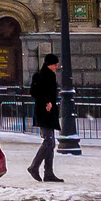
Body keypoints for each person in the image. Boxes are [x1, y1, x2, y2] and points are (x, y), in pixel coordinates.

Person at [28, 53, 63, 182]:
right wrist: (46, 102)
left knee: (51, 142)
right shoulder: (40, 76)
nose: (57, 66)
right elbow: (35, 92)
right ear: (50, 64)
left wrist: (50, 102)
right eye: (55, 64)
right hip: (44, 113)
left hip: (49, 113)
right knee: (48, 141)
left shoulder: (50, 76)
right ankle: (34, 167)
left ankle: (48, 173)